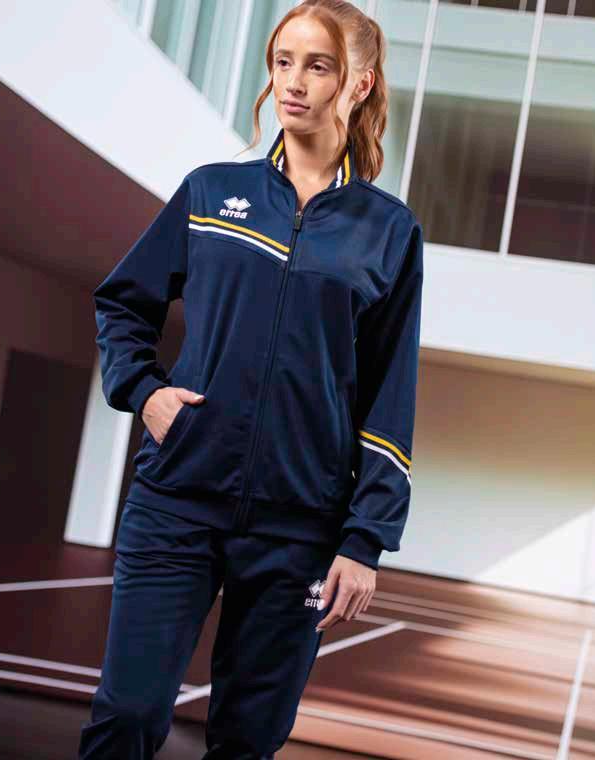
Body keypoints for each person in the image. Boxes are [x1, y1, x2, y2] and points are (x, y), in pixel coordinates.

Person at [77, 0, 424, 757]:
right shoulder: (211, 192)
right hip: (177, 501)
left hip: (302, 529)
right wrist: (145, 392)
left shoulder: (389, 231)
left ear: (359, 84)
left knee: (249, 739)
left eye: (318, 66)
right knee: (129, 714)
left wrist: (365, 539)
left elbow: (390, 392)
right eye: (282, 62)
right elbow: (123, 303)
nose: (293, 82)